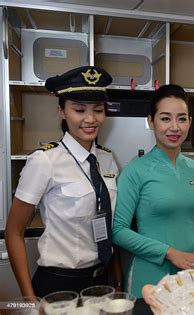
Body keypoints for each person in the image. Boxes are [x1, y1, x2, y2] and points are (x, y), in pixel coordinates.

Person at [5, 66, 121, 297]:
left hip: (102, 281)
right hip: (58, 283)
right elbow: (13, 232)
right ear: (61, 111)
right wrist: (29, 299)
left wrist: (117, 282)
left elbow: (109, 225)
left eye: (98, 110)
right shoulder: (45, 161)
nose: (90, 119)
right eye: (79, 110)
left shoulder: (107, 159)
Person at [112, 84, 194, 299]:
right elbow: (118, 230)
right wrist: (170, 253)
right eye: (165, 118)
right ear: (151, 121)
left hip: (191, 274)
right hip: (149, 278)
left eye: (182, 118)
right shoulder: (134, 171)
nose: (174, 127)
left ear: (189, 122)